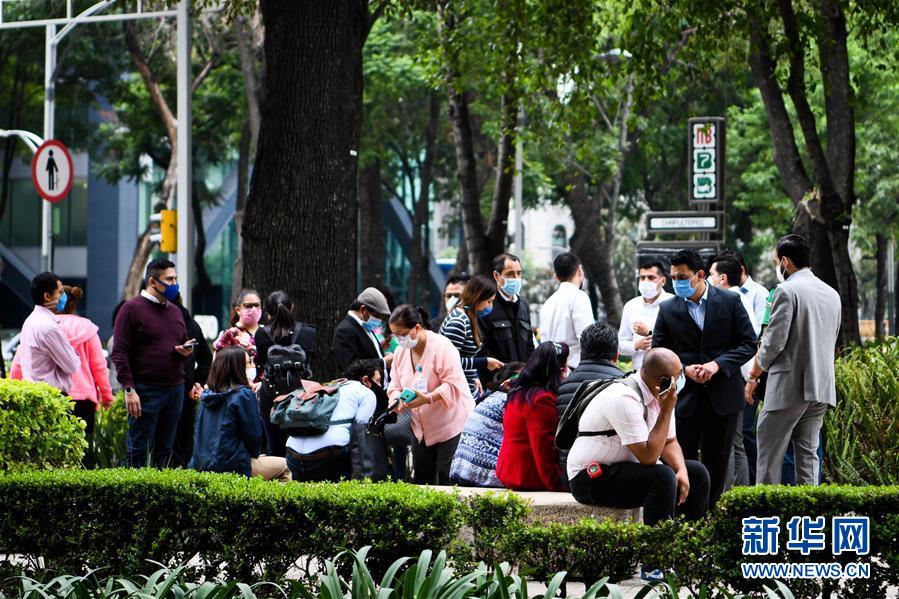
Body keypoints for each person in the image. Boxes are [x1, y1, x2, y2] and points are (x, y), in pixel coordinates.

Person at [567, 348, 709, 580]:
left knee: (696, 473)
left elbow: (670, 441)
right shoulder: (624, 398)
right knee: (662, 476)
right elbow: (648, 457)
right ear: (662, 382)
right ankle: (655, 564)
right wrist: (666, 409)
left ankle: (686, 554)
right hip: (590, 477)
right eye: (677, 375)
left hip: (625, 471)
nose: (681, 379)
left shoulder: (661, 396)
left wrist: (682, 470)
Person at [651, 249, 756, 507]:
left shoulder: (730, 302)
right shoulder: (667, 309)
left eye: (682, 277)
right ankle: (683, 520)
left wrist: (717, 365)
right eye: (673, 277)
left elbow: (748, 343)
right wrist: (683, 368)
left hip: (723, 398)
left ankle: (711, 516)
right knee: (680, 462)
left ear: (700, 275)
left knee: (718, 463)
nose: (677, 282)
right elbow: (658, 352)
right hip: (684, 398)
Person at [747, 234, 841, 486]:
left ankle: (766, 512)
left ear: (785, 262)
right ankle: (807, 514)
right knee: (808, 455)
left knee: (768, 450)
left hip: (789, 386)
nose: (777, 265)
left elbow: (773, 344)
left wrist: (753, 375)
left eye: (776, 260)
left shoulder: (786, 291)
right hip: (821, 387)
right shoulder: (832, 294)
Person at [112, 259, 196, 468]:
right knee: (138, 451)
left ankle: (161, 497)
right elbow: (119, 352)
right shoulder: (130, 309)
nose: (175, 283)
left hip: (175, 389)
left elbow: (182, 343)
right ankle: (133, 497)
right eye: (169, 279)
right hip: (145, 390)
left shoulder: (175, 311)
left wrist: (185, 350)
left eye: (175, 278)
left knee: (166, 451)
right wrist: (129, 389)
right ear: (152, 281)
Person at [387, 304, 474, 485]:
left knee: (447, 478)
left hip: (450, 424)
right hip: (420, 428)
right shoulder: (400, 352)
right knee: (422, 479)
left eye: (401, 334)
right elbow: (394, 385)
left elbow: (453, 384)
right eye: (394, 335)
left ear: (417, 328)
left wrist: (428, 398)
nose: (398, 339)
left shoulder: (442, 347)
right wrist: (396, 400)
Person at [190, 346, 290, 481]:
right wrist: (255, 455)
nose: (252, 366)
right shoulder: (243, 395)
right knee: (286, 466)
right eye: (249, 363)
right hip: (232, 466)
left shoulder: (206, 396)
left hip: (201, 465)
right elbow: (254, 438)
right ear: (238, 368)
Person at [285, 358, 382, 482]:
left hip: (292, 457)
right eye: (378, 381)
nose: (380, 386)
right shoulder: (366, 393)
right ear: (365, 380)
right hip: (327, 457)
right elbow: (361, 430)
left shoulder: (329, 386)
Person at [709, 253, 760, 488]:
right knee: (735, 442)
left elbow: (747, 346)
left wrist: (750, 380)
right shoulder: (741, 300)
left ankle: (727, 495)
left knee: (728, 442)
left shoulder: (731, 301)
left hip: (734, 380)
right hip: (740, 379)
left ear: (722, 278)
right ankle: (738, 492)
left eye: (710, 275)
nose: (707, 279)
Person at [555, 322, 625, 489]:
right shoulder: (624, 384)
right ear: (616, 355)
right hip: (610, 476)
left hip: (571, 476)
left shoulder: (564, 385)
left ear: (581, 352)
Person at [53, 286, 114, 467]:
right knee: (82, 450)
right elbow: (99, 365)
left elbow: (20, 361)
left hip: (54, 395)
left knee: (54, 450)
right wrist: (106, 395)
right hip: (84, 398)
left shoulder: (43, 325)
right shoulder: (86, 327)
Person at [495, 341, 568, 491]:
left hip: (509, 472)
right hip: (527, 477)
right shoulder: (541, 399)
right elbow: (543, 448)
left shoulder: (519, 391)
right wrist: (558, 486)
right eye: (564, 367)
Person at [255, 290, 317, 456]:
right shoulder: (309, 332)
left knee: (275, 448)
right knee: (302, 447)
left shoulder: (261, 335)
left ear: (267, 313)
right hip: (302, 399)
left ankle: (278, 477)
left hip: (271, 399)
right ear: (293, 308)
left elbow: (261, 362)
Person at [449, 362, 525, 487]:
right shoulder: (508, 402)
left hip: (461, 471)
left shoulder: (491, 397)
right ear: (507, 384)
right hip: (484, 477)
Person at [10, 272, 80, 394]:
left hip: (36, 393)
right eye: (60, 292)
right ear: (47, 296)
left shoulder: (30, 321)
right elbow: (72, 365)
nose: (64, 296)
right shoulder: (49, 327)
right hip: (52, 396)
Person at [439, 275, 504, 401]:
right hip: (456, 395)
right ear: (478, 297)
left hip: (467, 391)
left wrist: (474, 375)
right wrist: (484, 362)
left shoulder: (468, 317)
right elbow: (449, 363)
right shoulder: (458, 321)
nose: (489, 306)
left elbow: (466, 357)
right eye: (489, 301)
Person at [171, 294, 213, 468]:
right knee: (184, 442)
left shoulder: (171, 323)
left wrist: (194, 383)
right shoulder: (191, 324)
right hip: (187, 392)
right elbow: (206, 358)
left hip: (168, 390)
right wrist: (197, 382)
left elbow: (203, 358)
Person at [540, 252, 595, 369]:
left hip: (550, 370)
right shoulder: (579, 297)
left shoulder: (548, 302)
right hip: (573, 370)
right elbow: (588, 339)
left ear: (556, 277)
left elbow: (544, 341)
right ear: (580, 270)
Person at [479, 253, 535, 365]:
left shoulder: (523, 305)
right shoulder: (486, 305)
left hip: (522, 377)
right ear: (496, 276)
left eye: (519, 273)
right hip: (496, 378)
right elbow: (482, 348)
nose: (516, 278)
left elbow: (529, 345)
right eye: (510, 274)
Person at [618, 261, 673, 371]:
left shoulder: (673, 303)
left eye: (651, 277)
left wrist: (650, 333)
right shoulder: (631, 306)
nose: (645, 281)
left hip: (667, 370)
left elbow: (679, 341)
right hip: (638, 372)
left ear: (662, 281)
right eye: (642, 278)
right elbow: (620, 344)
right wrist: (636, 345)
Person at [332, 287, 393, 373]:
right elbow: (350, 367)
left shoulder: (365, 325)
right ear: (363, 310)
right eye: (377, 315)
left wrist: (382, 356)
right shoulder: (344, 331)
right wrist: (383, 362)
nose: (379, 320)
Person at [213, 289, 264, 360]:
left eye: (256, 305)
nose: (253, 309)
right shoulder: (229, 335)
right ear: (238, 310)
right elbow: (219, 365)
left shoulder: (268, 332)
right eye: (248, 306)